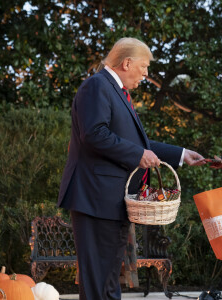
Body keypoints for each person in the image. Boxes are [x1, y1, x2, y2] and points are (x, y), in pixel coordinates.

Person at [57, 37, 205, 300]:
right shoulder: (97, 86)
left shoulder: (117, 93)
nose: (146, 74)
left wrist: (181, 154)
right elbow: (94, 134)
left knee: (108, 282)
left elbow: (138, 143)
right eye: (144, 66)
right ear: (126, 63)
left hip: (108, 201)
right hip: (95, 199)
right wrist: (138, 155)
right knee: (98, 286)